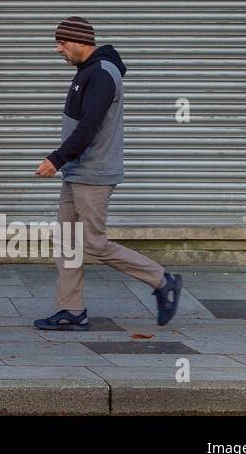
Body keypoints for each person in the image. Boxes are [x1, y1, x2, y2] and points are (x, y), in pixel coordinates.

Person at [33, 16, 183, 331]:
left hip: (94, 173)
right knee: (67, 241)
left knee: (94, 243)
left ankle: (162, 280)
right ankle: (71, 310)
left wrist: (56, 159)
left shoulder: (102, 74)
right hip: (78, 171)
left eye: (62, 42)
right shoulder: (87, 71)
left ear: (79, 41)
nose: (58, 49)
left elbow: (90, 125)